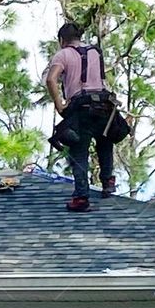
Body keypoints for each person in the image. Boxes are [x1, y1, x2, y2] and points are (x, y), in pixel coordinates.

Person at [46, 22, 118, 212]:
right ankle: (107, 182)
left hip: (81, 107)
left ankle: (81, 197)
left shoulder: (63, 54)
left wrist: (59, 104)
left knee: (79, 151)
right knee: (105, 141)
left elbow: (51, 79)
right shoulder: (96, 51)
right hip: (103, 104)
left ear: (62, 40)